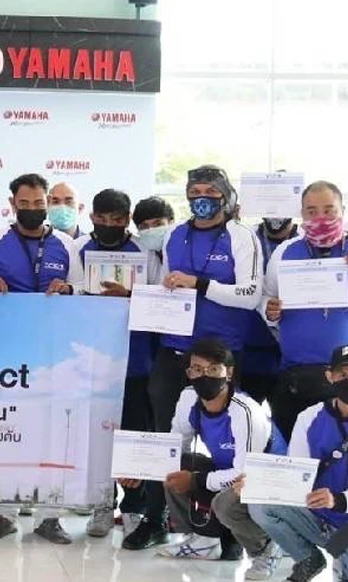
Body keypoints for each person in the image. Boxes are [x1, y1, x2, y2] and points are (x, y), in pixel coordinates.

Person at [131, 166, 263, 550]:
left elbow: (251, 295)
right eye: (194, 192)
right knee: (165, 437)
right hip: (174, 349)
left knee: (226, 442)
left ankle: (231, 529)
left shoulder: (242, 236)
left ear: (226, 196)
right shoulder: (175, 234)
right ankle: (156, 518)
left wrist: (201, 284)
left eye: (210, 191)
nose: (201, 198)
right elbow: (166, 285)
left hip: (219, 356)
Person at [0, 173, 81, 544]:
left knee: (53, 438)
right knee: (6, 434)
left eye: (39, 203)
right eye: (24, 203)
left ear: (48, 203)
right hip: (6, 354)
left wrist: (69, 289)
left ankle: (50, 518)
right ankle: (3, 514)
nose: (32, 209)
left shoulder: (66, 244)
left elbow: (84, 291)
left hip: (55, 354)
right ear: (12, 204)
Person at [120, 339, 277, 576]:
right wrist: (141, 471)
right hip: (229, 473)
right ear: (188, 374)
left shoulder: (244, 410)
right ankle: (206, 540)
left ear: (229, 373)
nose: (205, 376)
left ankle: (266, 547)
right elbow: (173, 449)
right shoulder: (188, 399)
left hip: (264, 480)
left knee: (225, 502)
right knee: (177, 466)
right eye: (197, 369)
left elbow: (243, 474)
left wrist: (195, 480)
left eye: (213, 369)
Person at [263, 181, 348, 443]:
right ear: (301, 214)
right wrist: (269, 310)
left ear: (343, 211)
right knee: (295, 452)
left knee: (344, 453)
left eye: (329, 210)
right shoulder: (285, 251)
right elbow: (266, 298)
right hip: (296, 375)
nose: (321, 218)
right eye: (312, 211)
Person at [250, 345, 348, 582]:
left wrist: (340, 500)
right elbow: (295, 475)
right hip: (320, 519)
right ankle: (308, 558)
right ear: (329, 376)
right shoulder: (309, 417)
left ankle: (344, 557)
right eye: (343, 374)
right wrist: (257, 483)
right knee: (259, 504)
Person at [72, 189, 160, 539]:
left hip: (136, 360)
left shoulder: (144, 251)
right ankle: (100, 505)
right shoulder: (76, 249)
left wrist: (131, 296)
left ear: (127, 219)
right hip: (90, 360)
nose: (110, 224)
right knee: (96, 437)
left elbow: (162, 297)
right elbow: (69, 292)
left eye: (118, 219)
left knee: (134, 435)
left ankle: (134, 507)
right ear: (92, 217)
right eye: (103, 218)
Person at [114, 196, 177, 546]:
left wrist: (134, 295)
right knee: (145, 433)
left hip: (179, 355)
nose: (152, 231)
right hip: (148, 360)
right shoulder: (142, 254)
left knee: (168, 436)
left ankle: (168, 512)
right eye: (145, 226)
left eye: (158, 224)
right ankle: (144, 510)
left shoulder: (182, 251)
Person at [240, 213, 298, 406]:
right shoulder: (244, 238)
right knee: (245, 418)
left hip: (292, 355)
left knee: (289, 420)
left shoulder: (307, 243)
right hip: (248, 349)